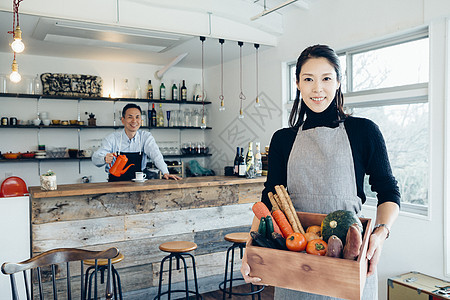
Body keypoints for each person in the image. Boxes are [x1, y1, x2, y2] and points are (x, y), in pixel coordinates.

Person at [241, 45, 400, 299]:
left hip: (349, 262)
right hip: (295, 263)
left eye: (326, 78)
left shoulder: (364, 132)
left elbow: (389, 190)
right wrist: (251, 253)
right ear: (297, 84)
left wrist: (380, 234)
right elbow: (269, 199)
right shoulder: (283, 139)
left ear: (338, 82)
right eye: (308, 79)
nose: (317, 88)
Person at [92, 103, 181, 182]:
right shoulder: (112, 138)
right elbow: (95, 159)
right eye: (130, 117)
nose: (134, 121)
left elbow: (156, 155)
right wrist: (104, 158)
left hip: (138, 184)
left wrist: (165, 172)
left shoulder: (145, 137)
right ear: (123, 120)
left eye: (137, 117)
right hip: (115, 184)